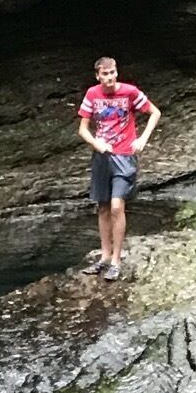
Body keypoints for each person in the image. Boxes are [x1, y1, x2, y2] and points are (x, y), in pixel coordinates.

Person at [77, 56, 159, 280]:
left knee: (116, 206)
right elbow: (83, 129)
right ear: (98, 76)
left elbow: (155, 112)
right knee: (103, 207)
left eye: (112, 72)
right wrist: (96, 143)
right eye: (105, 74)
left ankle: (116, 260)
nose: (110, 77)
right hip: (102, 156)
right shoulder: (92, 94)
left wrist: (143, 139)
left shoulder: (129, 92)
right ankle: (104, 256)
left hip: (124, 156)